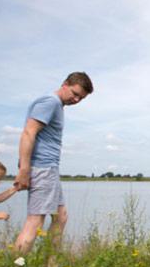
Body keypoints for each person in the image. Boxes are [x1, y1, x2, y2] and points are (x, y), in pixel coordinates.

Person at [13, 72, 93, 256]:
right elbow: (28, 133)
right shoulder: (50, 103)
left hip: (49, 169)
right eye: (74, 93)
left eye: (81, 98)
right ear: (65, 84)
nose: (76, 99)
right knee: (35, 222)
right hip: (42, 168)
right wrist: (24, 170)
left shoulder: (57, 106)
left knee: (61, 217)